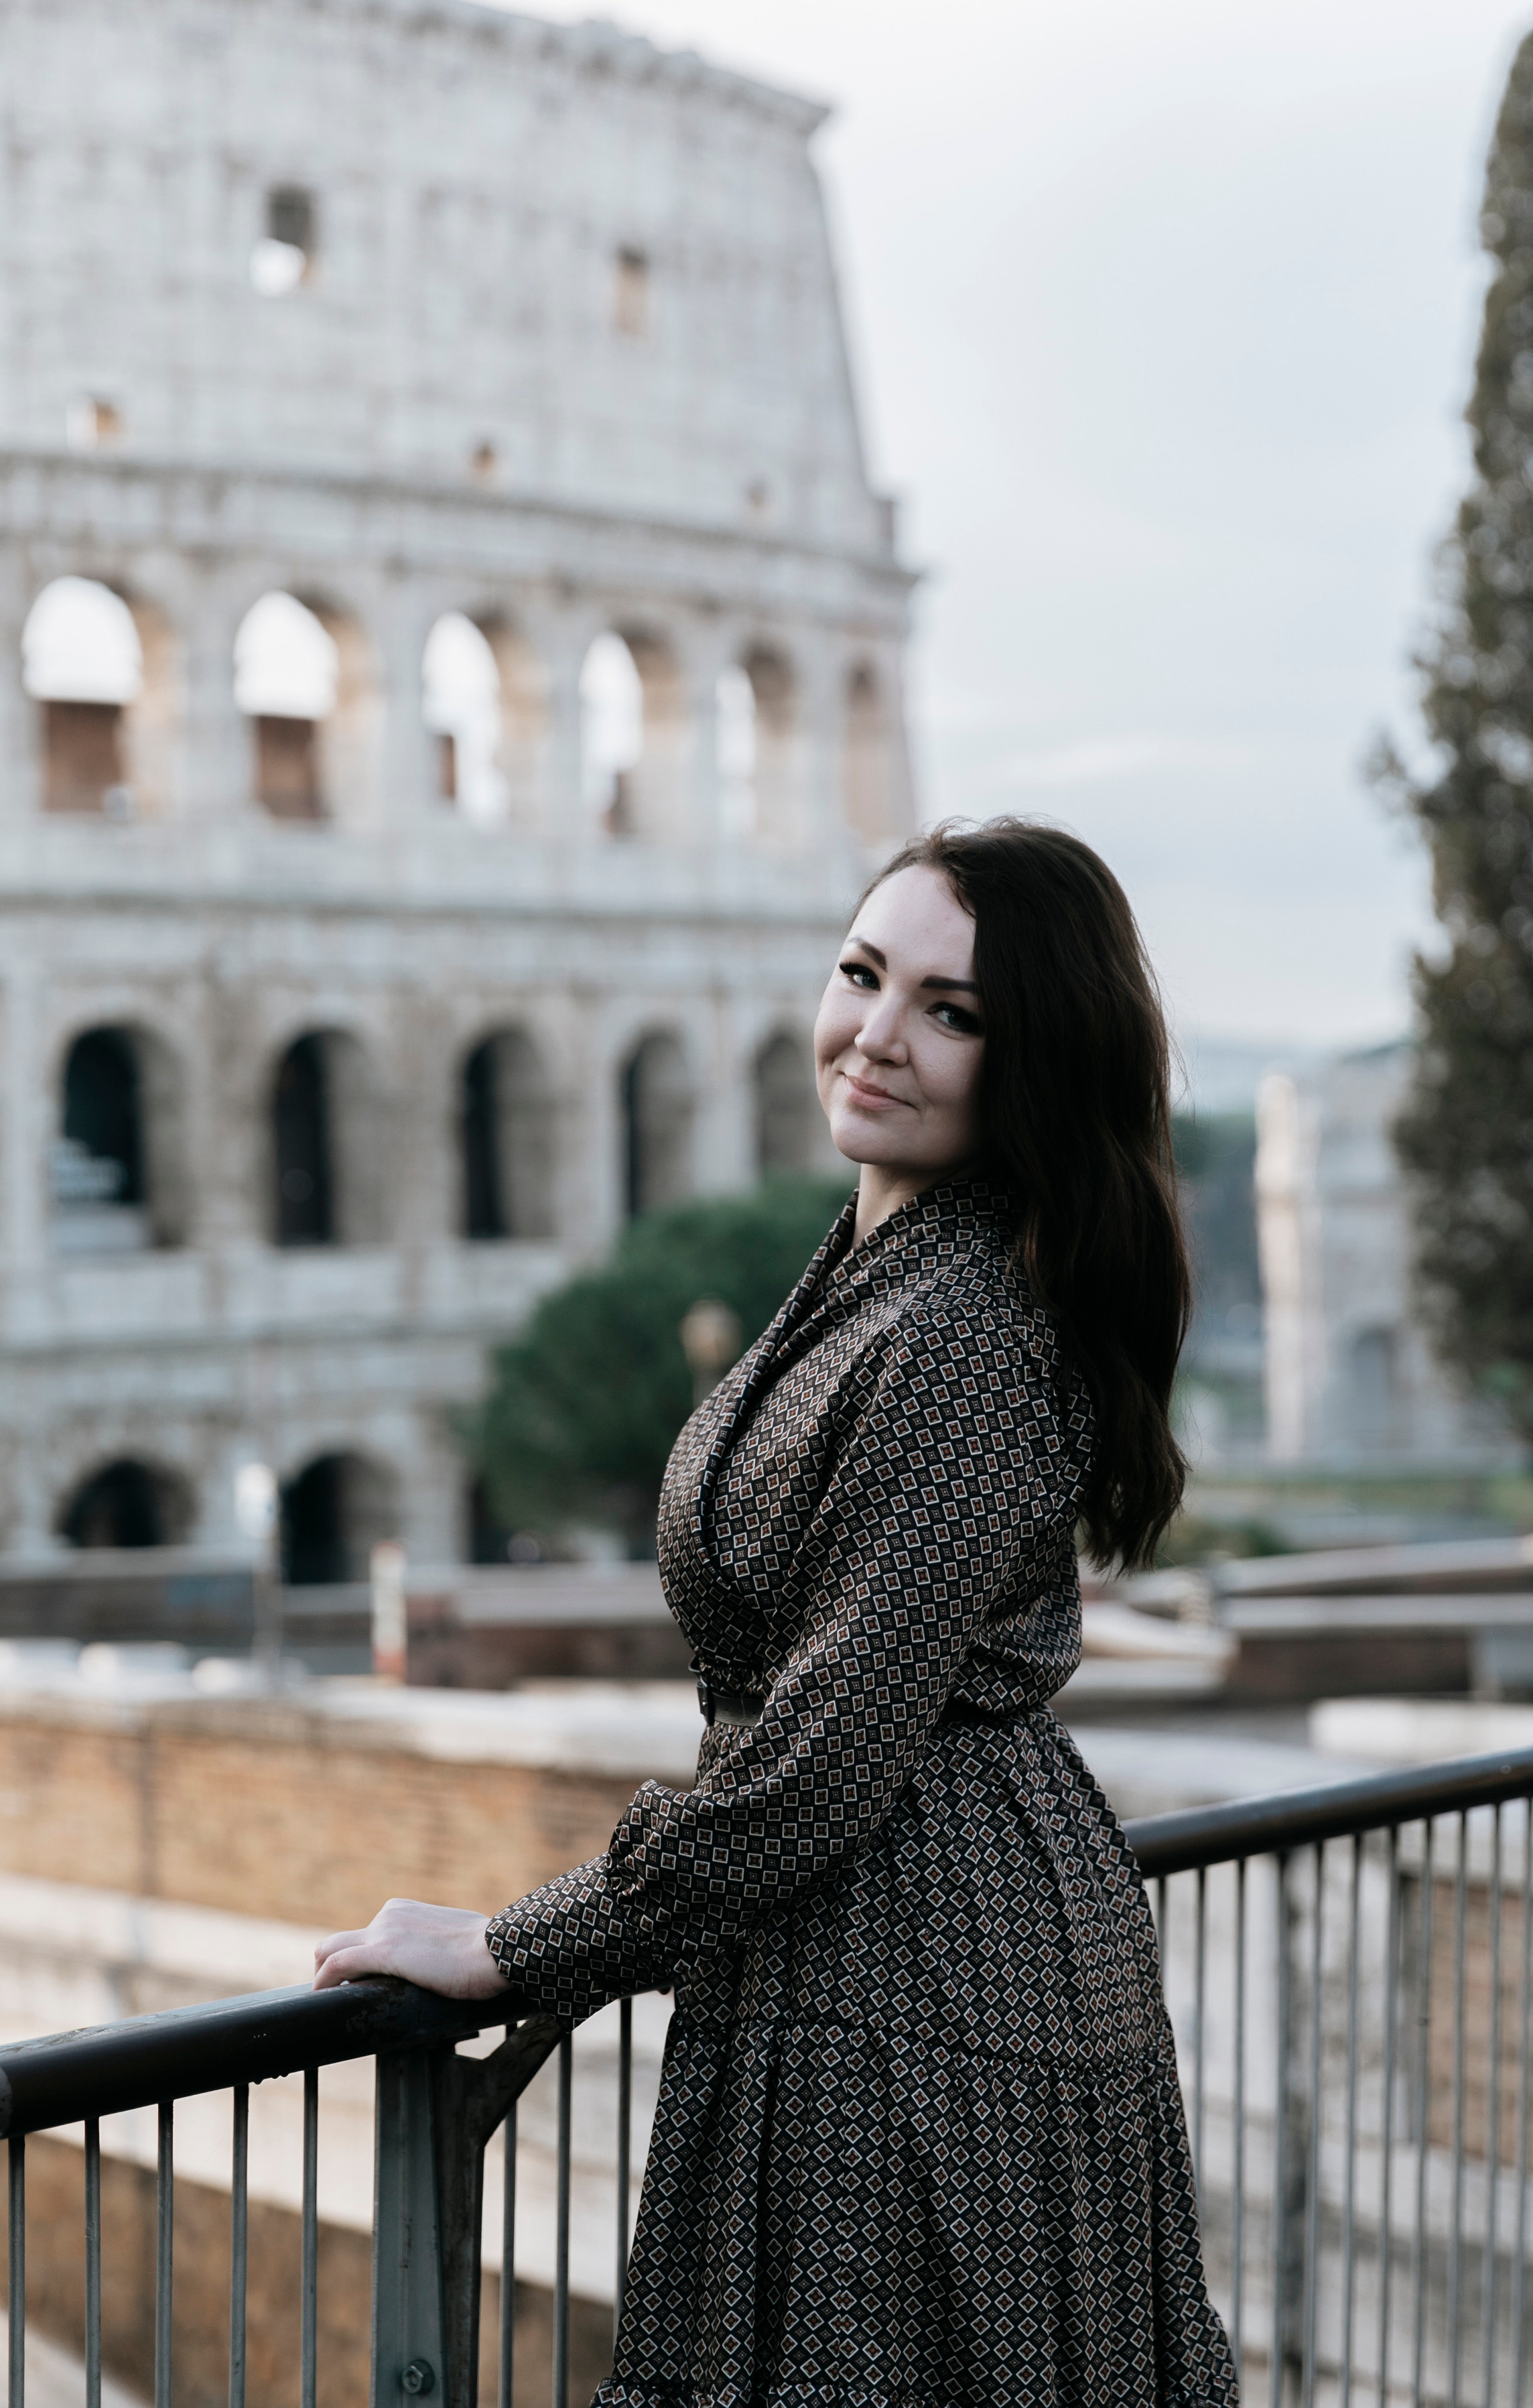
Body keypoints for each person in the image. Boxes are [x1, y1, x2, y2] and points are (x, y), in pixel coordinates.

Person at [315, 818, 1238, 2407]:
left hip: (918, 1997)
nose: (876, 1035)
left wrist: (513, 1944)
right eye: (862, 975)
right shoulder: (887, 1270)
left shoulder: (954, 1333)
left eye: (950, 1012)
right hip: (903, 1959)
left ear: (1031, 1061)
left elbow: (818, 1762)